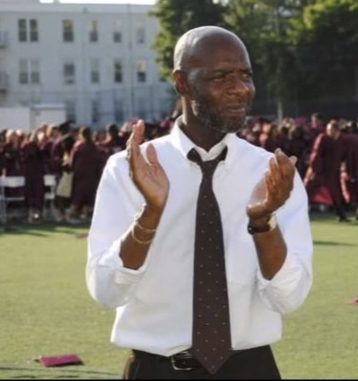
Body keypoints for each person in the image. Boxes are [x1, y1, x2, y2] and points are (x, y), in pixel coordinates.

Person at [86, 26, 313, 379]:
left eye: (245, 75)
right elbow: (105, 292)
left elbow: (288, 299)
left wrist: (263, 223)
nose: (240, 89)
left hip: (249, 368)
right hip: (157, 369)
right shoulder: (132, 168)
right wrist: (150, 215)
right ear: (182, 83)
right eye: (221, 77)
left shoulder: (272, 173)